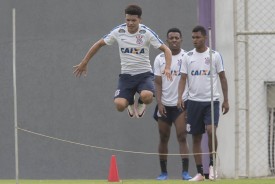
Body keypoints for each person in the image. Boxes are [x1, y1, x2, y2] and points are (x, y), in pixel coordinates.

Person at [73, 4, 172, 118]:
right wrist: (85, 62)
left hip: (144, 75)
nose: (130, 23)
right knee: (120, 106)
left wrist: (168, 67)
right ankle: (130, 100)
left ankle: (140, 102)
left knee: (147, 97)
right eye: (127, 20)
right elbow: (99, 44)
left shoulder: (146, 33)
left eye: (133, 20)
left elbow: (166, 49)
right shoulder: (118, 31)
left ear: (140, 19)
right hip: (126, 76)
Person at [177, 25, 229, 181]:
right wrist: (180, 97)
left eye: (198, 37)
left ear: (205, 38)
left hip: (211, 101)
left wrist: (226, 99)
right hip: (193, 102)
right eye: (193, 37)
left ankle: (212, 166)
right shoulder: (188, 56)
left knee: (211, 130)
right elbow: (183, 78)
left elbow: (222, 78)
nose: (195, 40)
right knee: (196, 137)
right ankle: (200, 172)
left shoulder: (214, 56)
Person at [153, 28, 191, 180]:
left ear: (181, 39)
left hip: (180, 104)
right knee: (163, 137)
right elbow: (157, 83)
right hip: (164, 104)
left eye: (177, 38)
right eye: (171, 38)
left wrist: (185, 100)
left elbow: (189, 80)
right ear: (167, 40)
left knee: (182, 136)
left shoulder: (186, 57)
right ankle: (163, 172)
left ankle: (185, 172)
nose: (174, 40)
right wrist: (159, 102)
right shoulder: (159, 59)